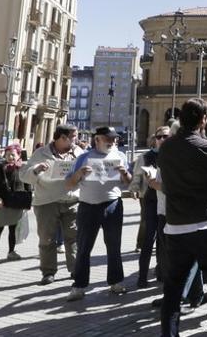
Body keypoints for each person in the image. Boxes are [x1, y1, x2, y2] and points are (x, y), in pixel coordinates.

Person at [156, 98, 207, 337]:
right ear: (203, 119)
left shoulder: (167, 147)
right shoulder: (205, 146)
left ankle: (169, 333)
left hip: (176, 227)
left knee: (173, 287)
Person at [65, 127, 132, 300]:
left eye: (114, 139)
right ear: (97, 140)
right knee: (84, 248)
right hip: (88, 207)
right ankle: (79, 286)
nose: (112, 142)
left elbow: (129, 183)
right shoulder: (83, 158)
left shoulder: (121, 156)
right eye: (107, 139)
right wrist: (80, 173)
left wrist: (124, 173)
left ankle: (116, 282)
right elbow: (69, 184)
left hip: (113, 205)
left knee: (114, 246)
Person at [20, 124, 84, 285]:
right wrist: (36, 169)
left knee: (74, 238)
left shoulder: (79, 153)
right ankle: (48, 272)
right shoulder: (41, 153)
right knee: (47, 239)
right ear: (62, 137)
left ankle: (76, 270)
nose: (77, 139)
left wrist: (84, 174)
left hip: (72, 201)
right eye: (74, 136)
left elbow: (87, 176)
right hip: (46, 202)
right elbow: (24, 176)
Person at [133, 126, 171, 288]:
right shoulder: (146, 156)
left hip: (165, 201)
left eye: (166, 136)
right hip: (150, 200)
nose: (163, 139)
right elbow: (136, 176)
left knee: (164, 241)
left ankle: (162, 272)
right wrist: (135, 189)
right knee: (148, 239)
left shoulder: (172, 155)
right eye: (159, 136)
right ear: (154, 139)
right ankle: (142, 276)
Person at [0, 144, 32, 263]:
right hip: (1, 203)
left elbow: (28, 186)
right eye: (7, 155)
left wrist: (28, 202)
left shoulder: (22, 168)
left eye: (13, 154)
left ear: (18, 155)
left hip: (16, 203)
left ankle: (11, 252)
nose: (10, 157)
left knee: (13, 229)